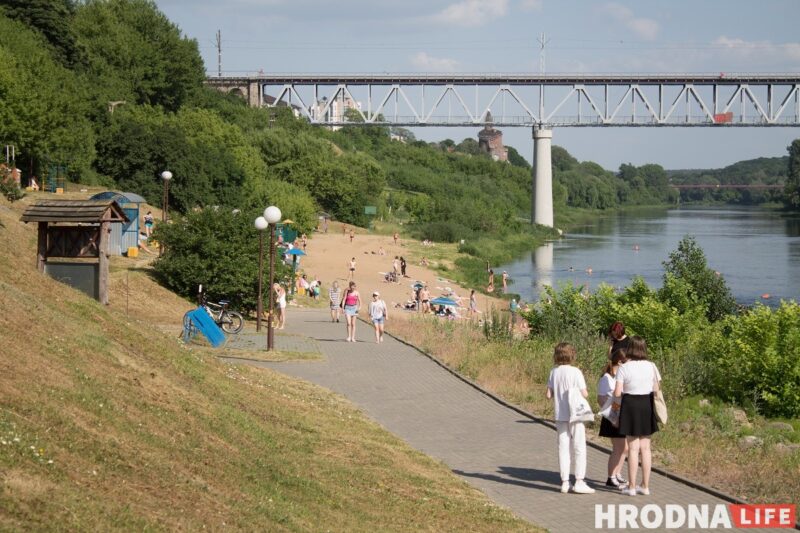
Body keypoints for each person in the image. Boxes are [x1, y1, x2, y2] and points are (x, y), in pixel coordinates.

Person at [613, 336, 661, 497]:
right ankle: (645, 486)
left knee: (633, 448)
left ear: (630, 349)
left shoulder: (624, 367)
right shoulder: (651, 366)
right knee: (646, 448)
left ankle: (632, 486)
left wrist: (614, 410)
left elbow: (618, 393)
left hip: (630, 405)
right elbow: (656, 388)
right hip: (646, 405)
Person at [546, 342, 595, 495]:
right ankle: (579, 480)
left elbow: (548, 394)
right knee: (579, 446)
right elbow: (585, 393)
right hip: (576, 414)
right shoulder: (576, 372)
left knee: (563, 447)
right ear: (571, 355)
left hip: (560, 414)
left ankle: (565, 482)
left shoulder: (553, 372)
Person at [598, 350, 629, 488]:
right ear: (621, 362)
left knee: (625, 448)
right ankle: (610, 477)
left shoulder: (621, 376)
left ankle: (617, 473)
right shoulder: (607, 378)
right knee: (619, 447)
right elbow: (601, 399)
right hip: (612, 417)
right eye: (628, 361)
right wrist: (613, 417)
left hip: (621, 415)